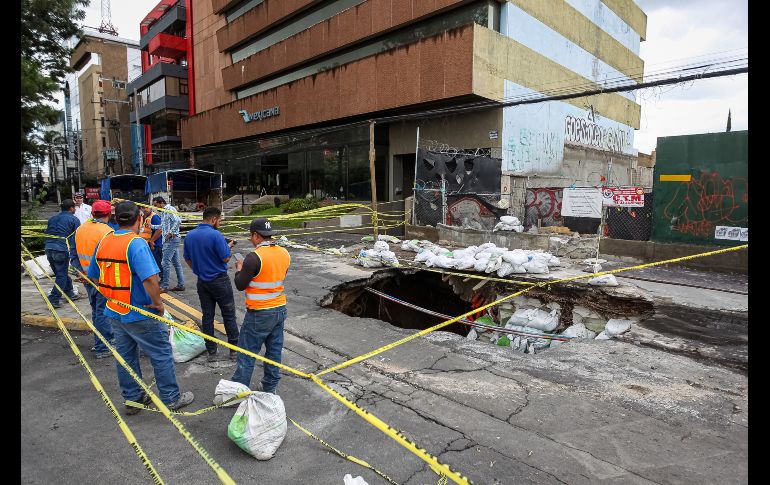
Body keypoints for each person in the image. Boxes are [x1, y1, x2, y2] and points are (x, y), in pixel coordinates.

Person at [88, 201, 194, 414]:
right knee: (161, 354)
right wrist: (158, 303)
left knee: (125, 358)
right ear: (139, 219)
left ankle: (133, 399)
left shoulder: (105, 240)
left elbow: (93, 273)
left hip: (114, 310)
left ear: (116, 219)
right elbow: (150, 279)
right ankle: (171, 399)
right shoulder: (136, 243)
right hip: (139, 311)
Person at [230, 218, 291, 394]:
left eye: (251, 236)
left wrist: (239, 268)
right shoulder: (284, 253)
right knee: (273, 352)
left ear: (256, 235)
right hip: (279, 309)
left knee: (247, 353)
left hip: (259, 313)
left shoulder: (253, 257)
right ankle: (270, 388)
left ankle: (238, 392)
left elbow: (240, 284)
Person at [183, 207, 240, 362]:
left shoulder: (189, 235)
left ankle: (212, 352)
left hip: (202, 282)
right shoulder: (216, 235)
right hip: (220, 280)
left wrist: (197, 270)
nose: (219, 223)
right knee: (228, 315)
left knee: (207, 317)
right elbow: (226, 259)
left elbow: (187, 258)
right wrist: (229, 246)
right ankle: (234, 351)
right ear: (214, 219)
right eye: (219, 220)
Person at [72, 200, 114, 359]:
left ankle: (100, 342)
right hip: (102, 279)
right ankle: (103, 347)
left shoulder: (81, 229)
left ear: (92, 213)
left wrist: (80, 272)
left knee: (97, 311)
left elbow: (74, 253)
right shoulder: (107, 231)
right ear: (109, 214)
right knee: (103, 312)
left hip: (86, 278)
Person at [44, 199, 81, 308]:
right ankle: (53, 298)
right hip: (61, 249)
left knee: (61, 274)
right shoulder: (74, 219)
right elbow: (77, 238)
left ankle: (69, 292)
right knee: (61, 275)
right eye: (74, 208)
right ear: (71, 208)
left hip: (48, 248)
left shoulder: (52, 218)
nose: (75, 209)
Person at [150, 196, 185, 292]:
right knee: (176, 263)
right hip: (171, 239)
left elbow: (178, 221)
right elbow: (162, 226)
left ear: (161, 202)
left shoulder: (169, 209)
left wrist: (171, 232)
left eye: (156, 205)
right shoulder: (164, 212)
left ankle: (164, 286)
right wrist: (151, 226)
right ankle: (181, 284)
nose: (156, 207)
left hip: (171, 240)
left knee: (165, 263)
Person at [139, 205, 164, 282]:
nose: (145, 209)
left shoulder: (154, 217)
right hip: (147, 245)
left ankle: (163, 280)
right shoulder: (144, 217)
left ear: (150, 208)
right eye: (143, 208)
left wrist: (152, 241)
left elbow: (160, 230)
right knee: (152, 264)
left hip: (155, 245)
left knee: (158, 263)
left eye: (147, 207)